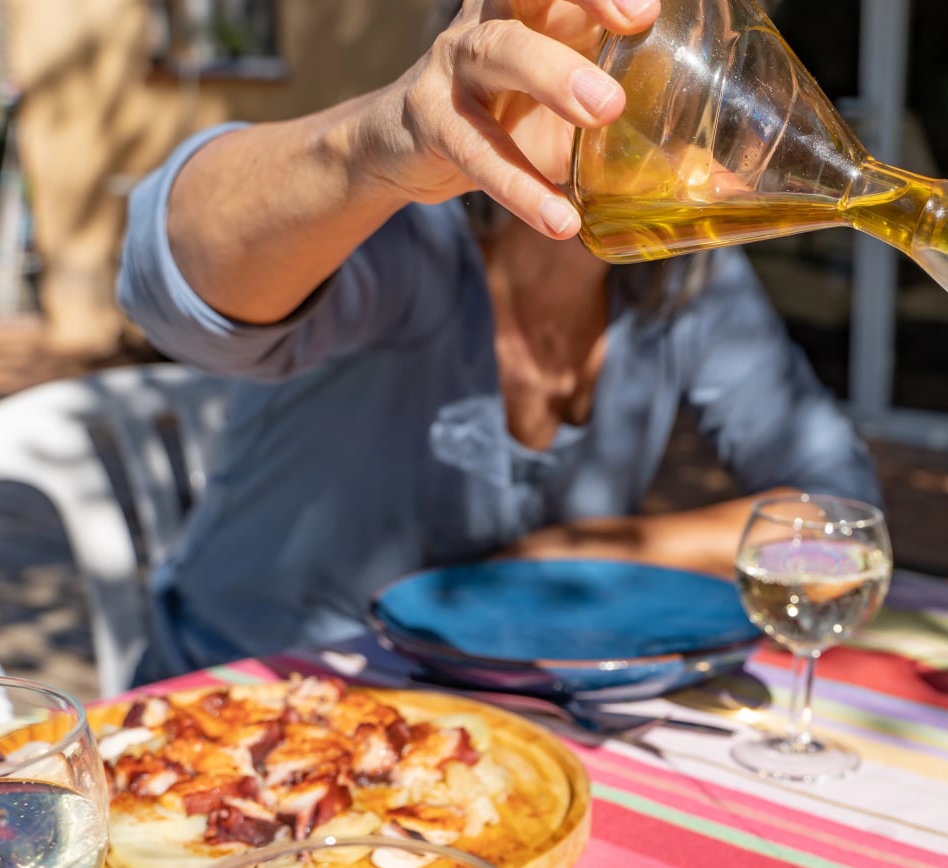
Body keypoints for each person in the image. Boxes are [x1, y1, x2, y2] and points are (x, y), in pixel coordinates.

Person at [119, 0, 880, 681]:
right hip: (234, 716)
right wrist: (371, 144)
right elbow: (173, 284)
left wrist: (581, 547)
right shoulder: (402, 230)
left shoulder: (682, 281)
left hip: (486, 735)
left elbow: (842, 518)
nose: (650, 83)